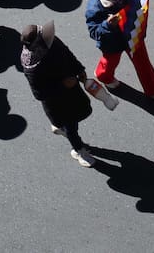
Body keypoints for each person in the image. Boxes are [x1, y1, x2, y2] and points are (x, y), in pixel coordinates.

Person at [20, 21, 99, 167]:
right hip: (57, 103)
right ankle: (78, 150)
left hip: (72, 90)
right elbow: (39, 93)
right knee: (71, 127)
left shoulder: (50, 41)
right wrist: (62, 84)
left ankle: (60, 129)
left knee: (76, 118)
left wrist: (79, 69)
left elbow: (67, 54)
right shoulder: (31, 65)